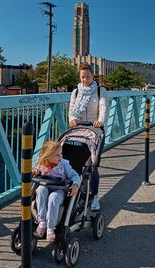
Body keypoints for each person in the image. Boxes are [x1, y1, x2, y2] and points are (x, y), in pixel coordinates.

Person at [68, 63, 108, 211]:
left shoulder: (99, 91)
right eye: (83, 77)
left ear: (93, 75)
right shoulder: (76, 92)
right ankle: (80, 194)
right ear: (80, 77)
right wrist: (72, 119)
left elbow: (103, 108)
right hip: (79, 132)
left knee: (92, 165)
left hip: (95, 132)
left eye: (88, 76)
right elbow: (71, 109)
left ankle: (95, 196)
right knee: (77, 163)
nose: (85, 80)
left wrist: (100, 121)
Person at [32, 140, 81, 242]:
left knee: (53, 198)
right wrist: (35, 172)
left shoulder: (64, 165)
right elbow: (37, 172)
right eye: (57, 155)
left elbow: (75, 175)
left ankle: (50, 227)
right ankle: (42, 221)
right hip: (46, 187)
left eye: (61, 154)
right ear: (47, 156)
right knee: (40, 190)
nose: (60, 157)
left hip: (60, 190)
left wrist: (75, 185)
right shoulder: (42, 164)